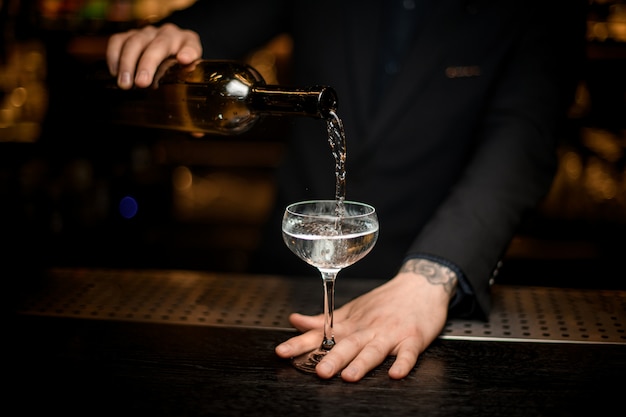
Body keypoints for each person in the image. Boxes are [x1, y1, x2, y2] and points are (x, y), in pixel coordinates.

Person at [106, 0, 585, 382]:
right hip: (281, 286)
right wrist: (170, 43)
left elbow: (524, 140)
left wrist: (432, 276)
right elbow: (214, 22)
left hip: (419, 293)